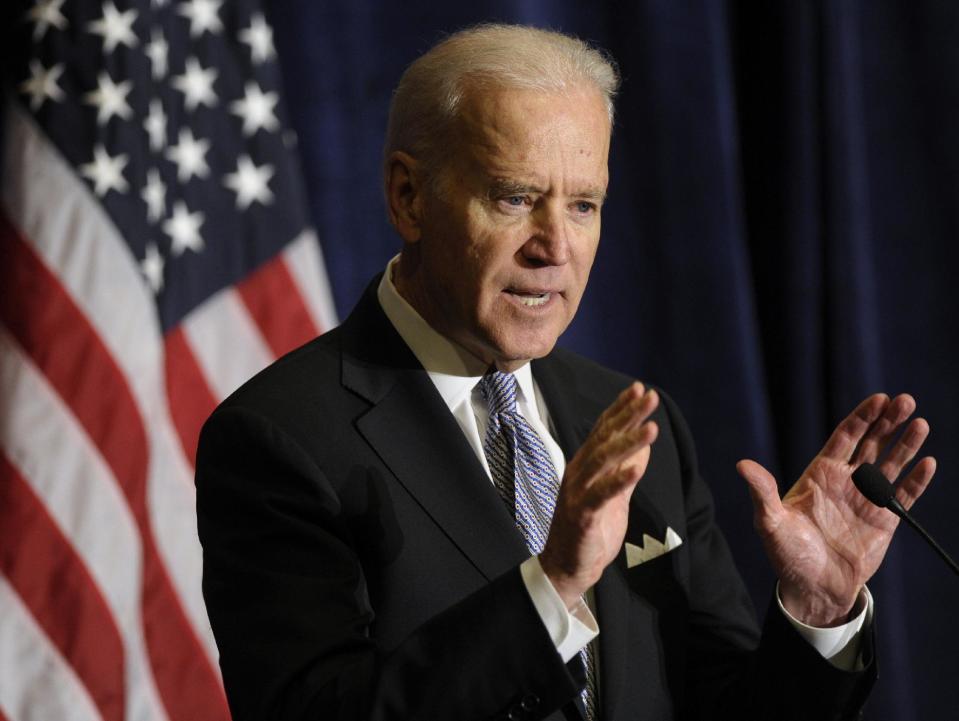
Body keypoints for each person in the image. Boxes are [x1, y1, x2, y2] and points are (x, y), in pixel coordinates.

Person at [195, 24, 936, 721]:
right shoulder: (281, 438)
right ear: (408, 197)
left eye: (582, 204)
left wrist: (814, 613)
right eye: (514, 198)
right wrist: (549, 585)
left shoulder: (631, 418)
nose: (554, 246)